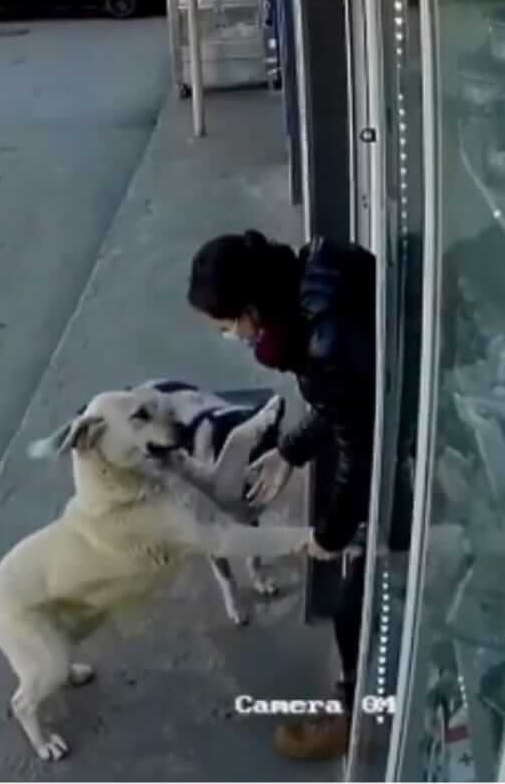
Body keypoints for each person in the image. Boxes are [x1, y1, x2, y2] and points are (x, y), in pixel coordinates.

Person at [186, 229, 376, 761]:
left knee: (355, 592)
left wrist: (330, 535)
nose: (230, 336)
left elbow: (359, 443)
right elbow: (350, 401)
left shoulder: (323, 339)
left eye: (226, 325)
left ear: (250, 311)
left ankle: (358, 711)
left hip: (420, 433)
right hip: (404, 412)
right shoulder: (317, 276)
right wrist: (291, 450)